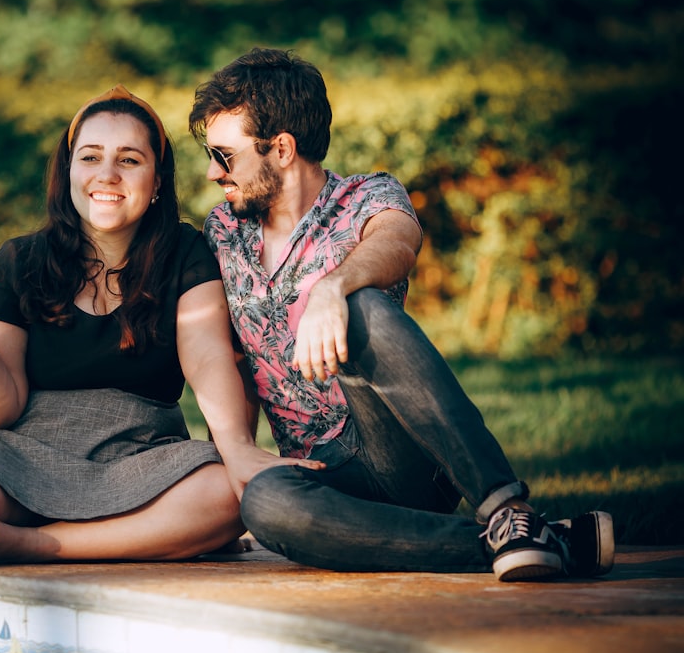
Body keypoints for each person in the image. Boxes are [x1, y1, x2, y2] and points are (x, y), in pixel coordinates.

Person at [0, 84, 317, 625]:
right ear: (69, 174)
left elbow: (206, 359)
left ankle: (39, 544)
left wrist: (239, 451)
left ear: (156, 182)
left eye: (130, 160)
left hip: (139, 455)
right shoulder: (21, 259)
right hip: (24, 449)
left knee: (227, 495)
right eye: (90, 158)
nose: (107, 175)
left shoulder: (185, 251)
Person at [188, 48, 615, 582]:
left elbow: (398, 242)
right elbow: (233, 362)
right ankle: (529, 543)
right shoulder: (224, 232)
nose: (210, 173)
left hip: (406, 454)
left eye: (224, 156)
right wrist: (236, 459)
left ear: (281, 148)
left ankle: (503, 507)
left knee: (360, 305)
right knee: (265, 503)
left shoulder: (368, 196)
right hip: (321, 472)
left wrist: (333, 288)